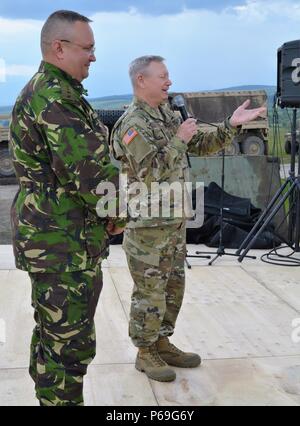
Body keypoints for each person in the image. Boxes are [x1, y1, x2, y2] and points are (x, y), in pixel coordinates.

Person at [111, 55, 266, 382]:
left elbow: (202, 145)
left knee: (172, 288)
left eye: (168, 76)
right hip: (148, 227)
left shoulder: (166, 115)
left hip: (174, 223)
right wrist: (179, 139)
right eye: (162, 76)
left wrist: (231, 125)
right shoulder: (132, 124)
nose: (169, 82)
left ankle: (162, 342)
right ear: (142, 81)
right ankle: (145, 351)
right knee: (149, 292)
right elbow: (151, 172)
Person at [9, 10, 124, 406]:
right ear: (59, 47)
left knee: (53, 341)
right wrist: (117, 216)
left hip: (59, 239)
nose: (92, 56)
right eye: (87, 48)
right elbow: (92, 176)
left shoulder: (57, 91)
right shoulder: (55, 98)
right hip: (61, 244)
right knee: (67, 350)